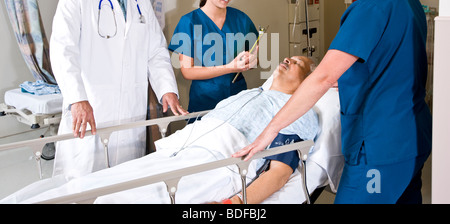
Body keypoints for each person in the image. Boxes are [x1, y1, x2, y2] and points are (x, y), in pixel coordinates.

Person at [234, 0, 432, 204]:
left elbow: (322, 78)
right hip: (413, 137)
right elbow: (390, 62)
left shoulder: (369, 8)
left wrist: (269, 131)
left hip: (379, 146)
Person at [1, 56, 318, 204]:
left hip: (216, 164)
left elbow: (279, 171)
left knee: (122, 200)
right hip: (177, 151)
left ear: (305, 84)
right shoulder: (251, 93)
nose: (289, 59)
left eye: (299, 64)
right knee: (87, 187)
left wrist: (233, 204)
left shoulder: (294, 111)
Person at [50, 0, 187, 178]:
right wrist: (77, 98)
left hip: (129, 113)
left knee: (124, 185)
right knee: (83, 184)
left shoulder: (141, 3)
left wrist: (167, 88)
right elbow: (63, 49)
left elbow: (156, 52)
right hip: (92, 106)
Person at [168, 0, 259, 115]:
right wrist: (230, 67)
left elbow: (253, 53)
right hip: (205, 103)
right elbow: (188, 71)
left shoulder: (241, 19)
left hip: (238, 100)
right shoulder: (189, 22)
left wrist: (253, 61)